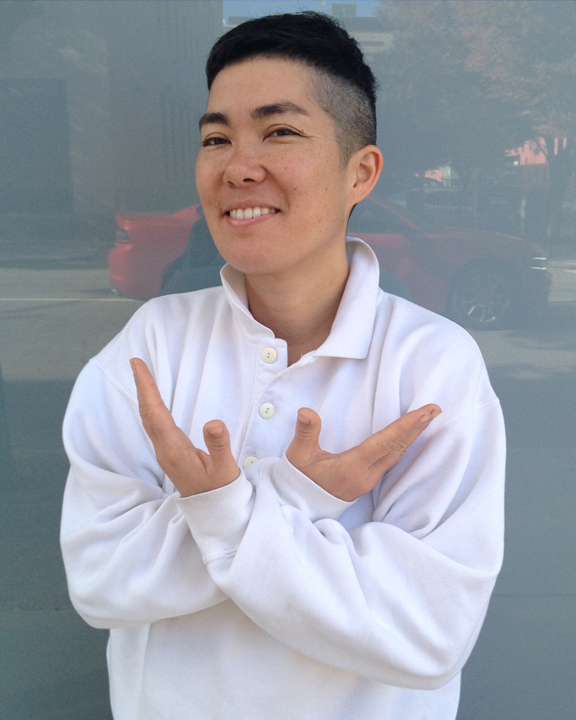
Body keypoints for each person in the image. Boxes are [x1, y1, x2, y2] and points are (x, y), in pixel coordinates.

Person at [60, 12, 505, 720]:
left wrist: (219, 512)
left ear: (361, 171)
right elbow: (100, 579)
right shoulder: (154, 343)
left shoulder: (431, 364)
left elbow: (427, 634)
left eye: (280, 132)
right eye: (216, 138)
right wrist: (292, 493)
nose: (238, 166)